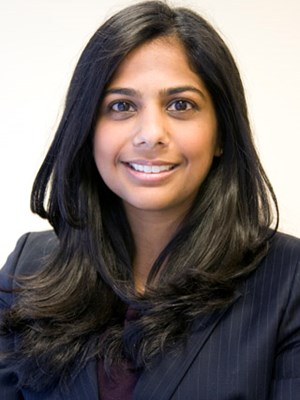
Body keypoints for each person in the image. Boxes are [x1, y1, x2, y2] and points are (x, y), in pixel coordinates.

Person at [1, 1, 299, 399]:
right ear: (88, 129)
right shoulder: (29, 264)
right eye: (121, 106)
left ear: (222, 134)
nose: (150, 134)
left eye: (181, 105)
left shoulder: (289, 279)